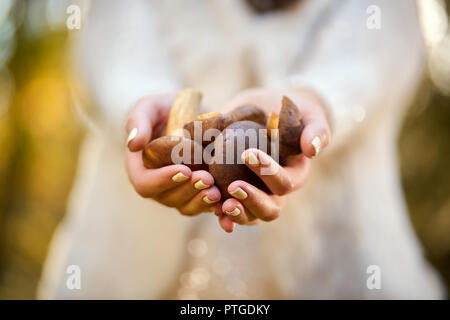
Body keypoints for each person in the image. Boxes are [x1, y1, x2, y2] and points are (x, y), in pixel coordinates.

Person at [38, 0, 444, 299]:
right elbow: (112, 40)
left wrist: (316, 101)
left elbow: (380, 43)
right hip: (124, 264)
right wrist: (143, 110)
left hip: (345, 262)